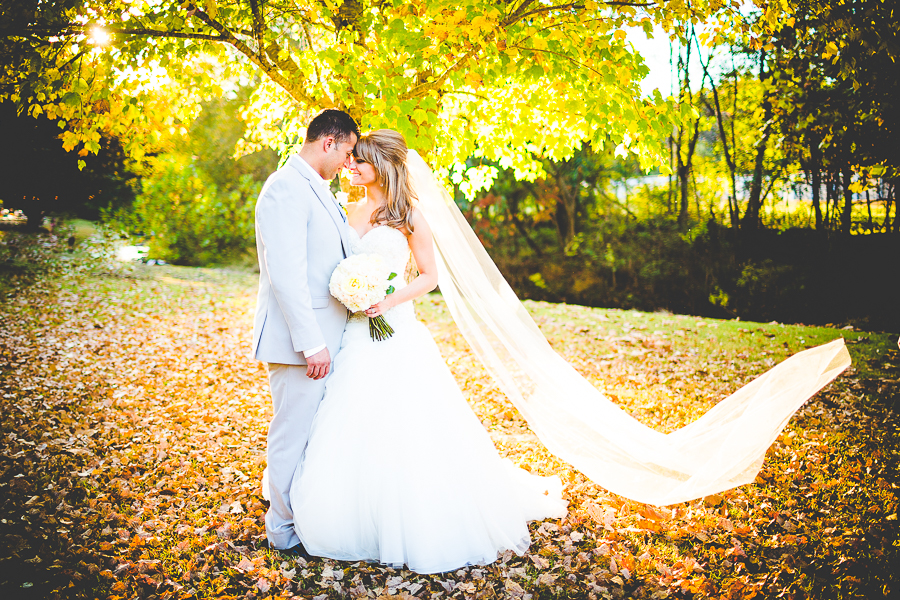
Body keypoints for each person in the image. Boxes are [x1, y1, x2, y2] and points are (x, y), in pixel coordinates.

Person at [290, 130, 568, 574]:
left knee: (405, 418)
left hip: (393, 329)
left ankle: (410, 515)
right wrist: (348, 292)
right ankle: (349, 512)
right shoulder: (348, 209)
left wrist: (387, 301)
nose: (352, 168)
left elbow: (429, 276)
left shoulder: (410, 215)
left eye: (360, 162)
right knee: (351, 412)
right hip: (352, 332)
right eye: (352, 160)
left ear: (381, 166)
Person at [250, 109, 359, 551]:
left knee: (309, 432)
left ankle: (299, 516)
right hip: (300, 343)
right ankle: (281, 529)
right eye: (347, 152)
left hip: (328, 336)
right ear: (328, 141)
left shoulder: (320, 190)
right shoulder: (284, 189)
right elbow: (287, 276)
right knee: (291, 432)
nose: (348, 163)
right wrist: (311, 344)